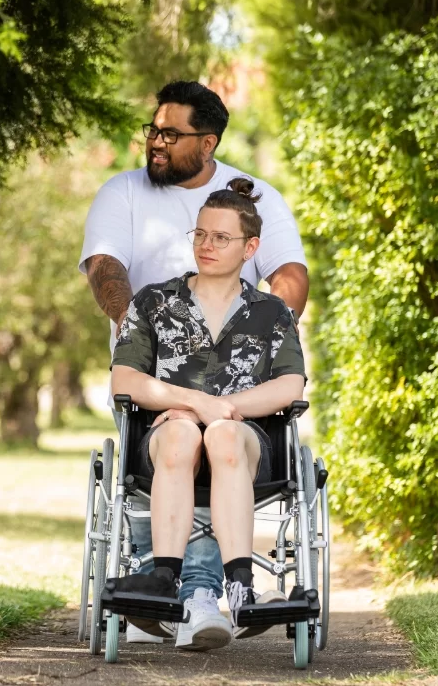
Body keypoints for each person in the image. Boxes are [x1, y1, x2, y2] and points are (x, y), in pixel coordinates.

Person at [79, 80, 308, 650]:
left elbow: (290, 289)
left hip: (239, 415)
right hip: (161, 397)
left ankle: (219, 592)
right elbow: (105, 268)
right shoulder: (145, 269)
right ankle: (180, 586)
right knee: (181, 437)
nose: (155, 141)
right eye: (152, 129)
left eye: (170, 133)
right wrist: (142, 335)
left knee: (225, 438)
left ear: (207, 144)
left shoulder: (261, 231)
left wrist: (256, 344)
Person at [109, 177, 307, 640]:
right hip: (164, 446)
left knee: (222, 434)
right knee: (182, 432)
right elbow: (125, 378)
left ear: (250, 246)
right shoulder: (155, 303)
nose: (206, 245)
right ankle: (163, 580)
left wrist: (223, 410)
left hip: (244, 448)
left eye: (221, 237)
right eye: (200, 234)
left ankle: (241, 589)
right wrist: (194, 402)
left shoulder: (271, 312)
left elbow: (290, 383)